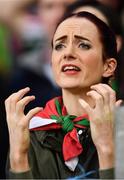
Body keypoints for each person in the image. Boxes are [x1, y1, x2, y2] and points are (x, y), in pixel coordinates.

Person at [5, 11, 122, 179]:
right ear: (52, 61)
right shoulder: (30, 133)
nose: (68, 53)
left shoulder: (121, 130)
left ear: (108, 66)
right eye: (59, 46)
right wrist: (18, 157)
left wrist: (106, 149)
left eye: (83, 45)